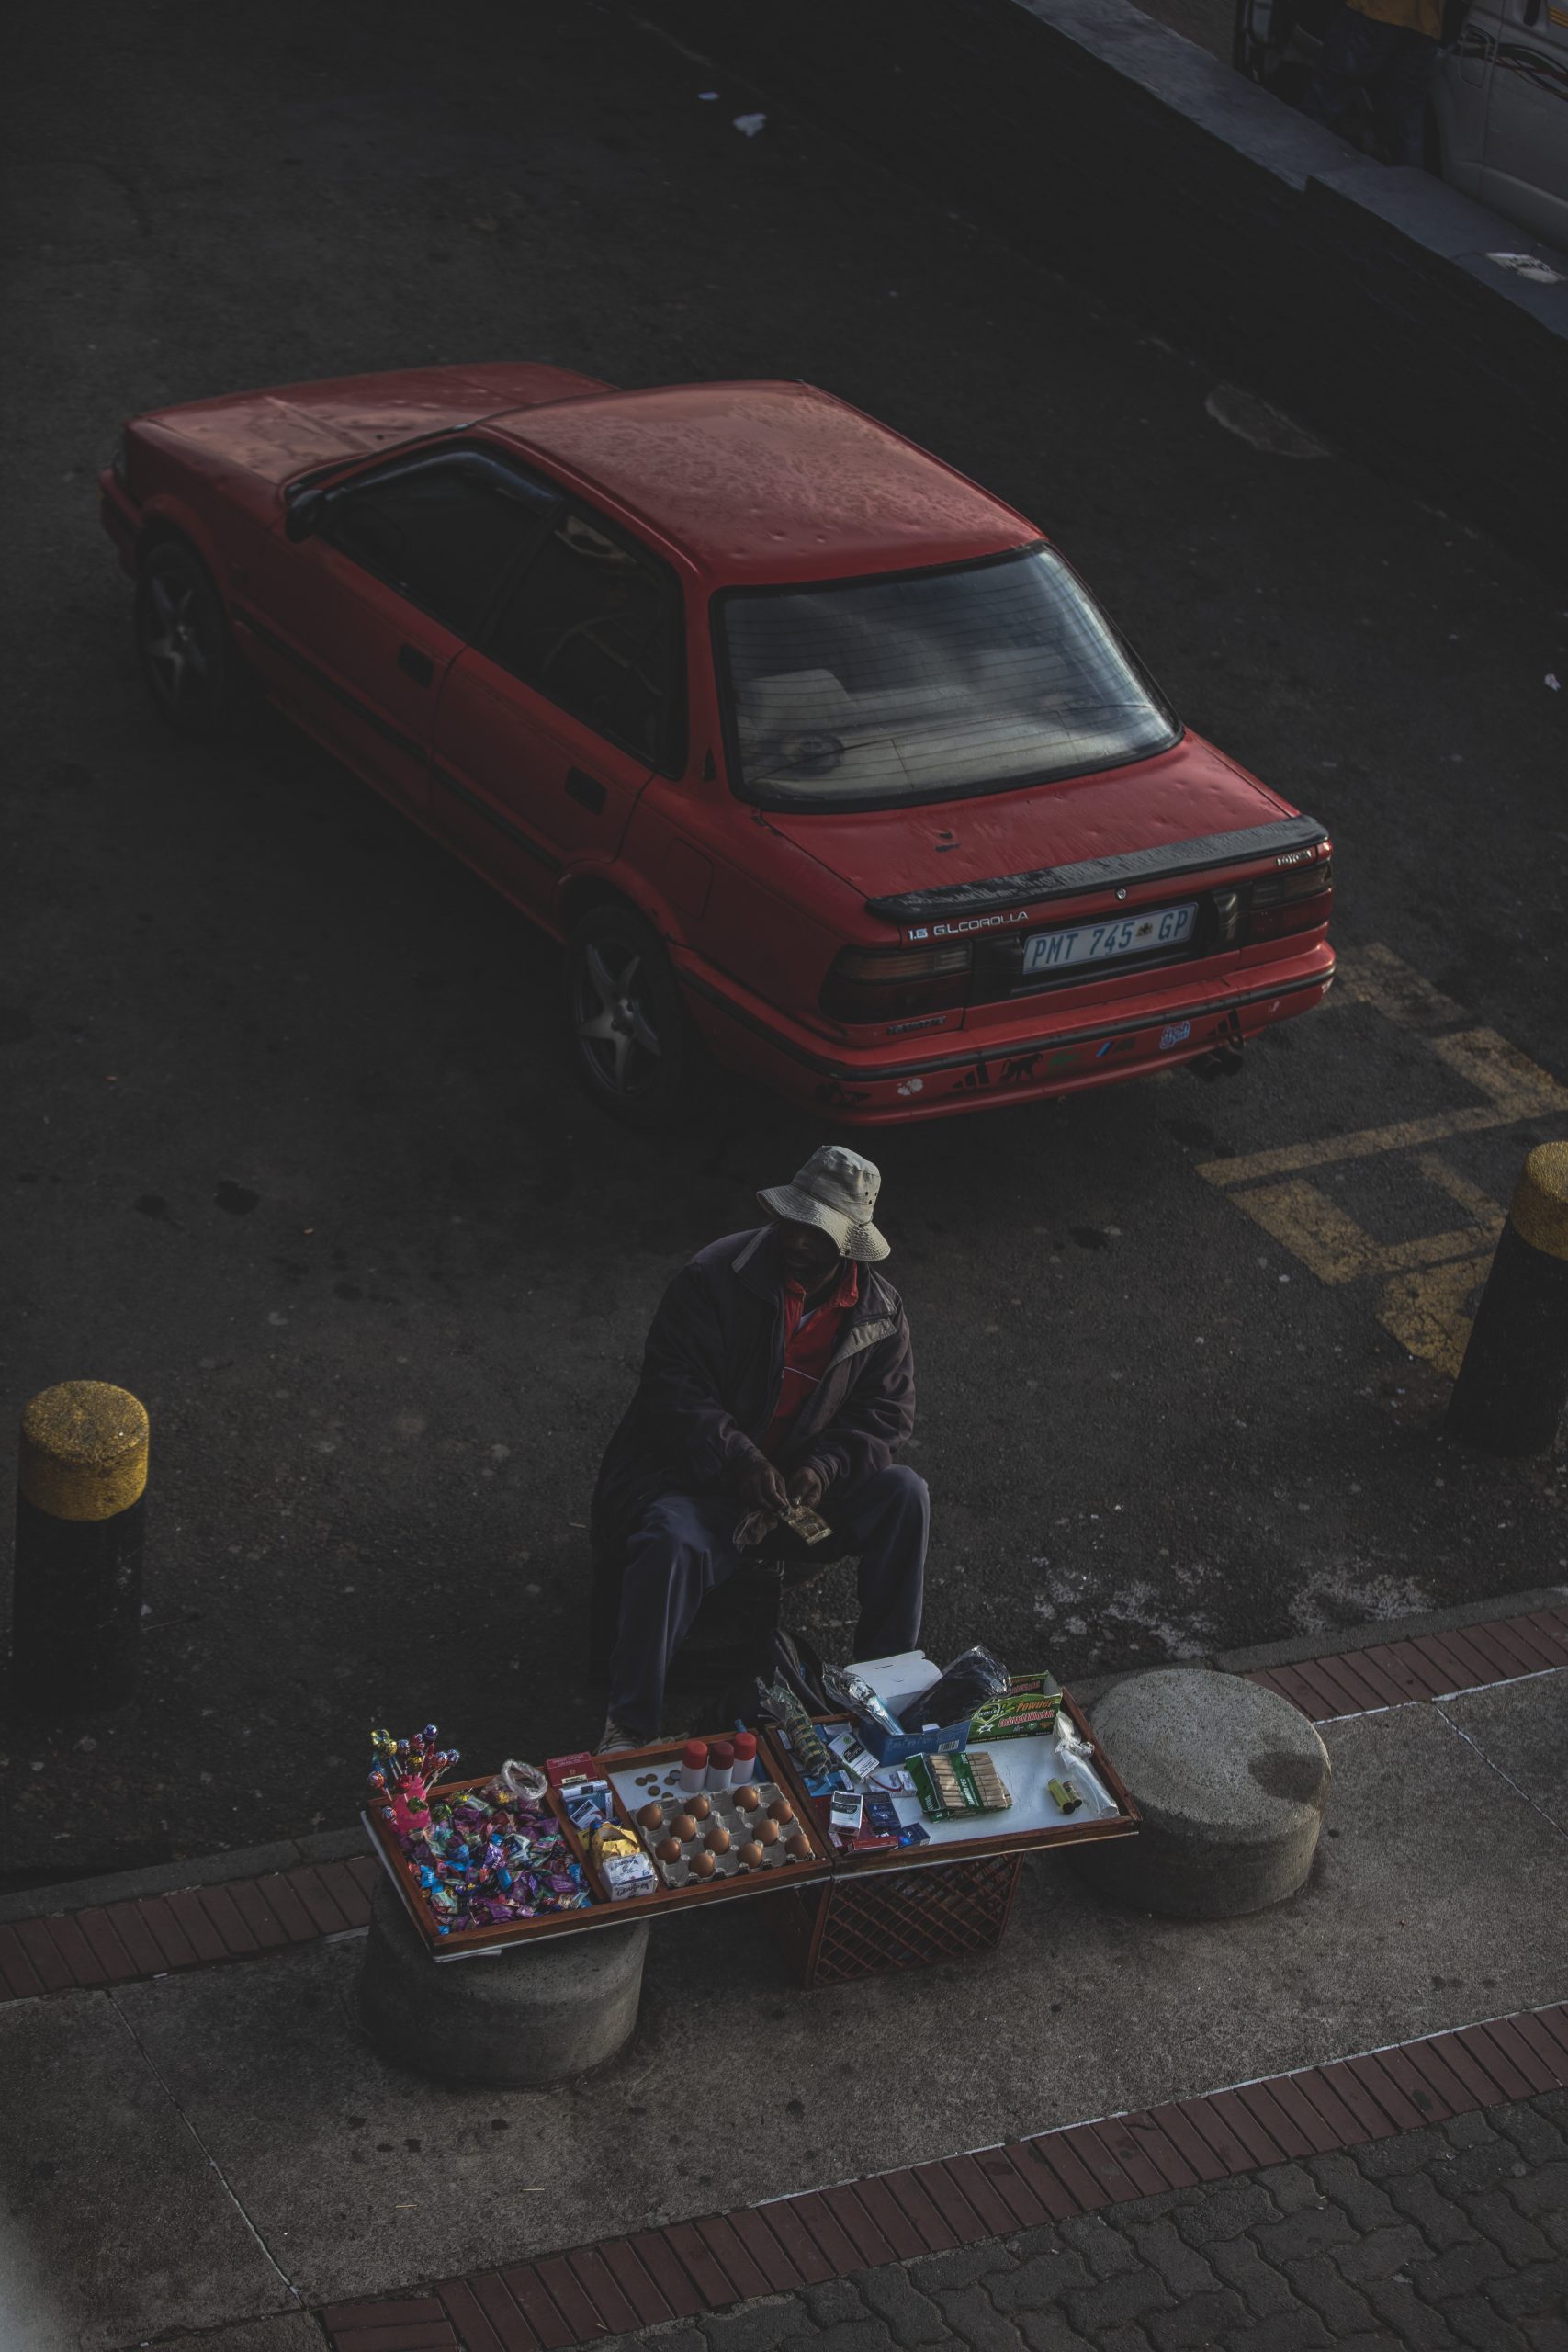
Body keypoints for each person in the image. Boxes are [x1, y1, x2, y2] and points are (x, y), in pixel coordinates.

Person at [592, 1145, 928, 1750]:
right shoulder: (713, 1278)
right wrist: (740, 1461)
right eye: (794, 1224)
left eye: (816, 1235)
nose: (797, 1243)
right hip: (701, 1480)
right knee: (670, 1539)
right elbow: (672, 1386)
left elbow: (885, 1416)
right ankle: (630, 1723)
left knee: (905, 1495)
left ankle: (886, 1687)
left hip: (795, 1491)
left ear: (850, 1244)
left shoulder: (881, 1313)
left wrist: (822, 1470)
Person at [1299, 0, 1443, 167]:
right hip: (1426, 25)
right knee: (1406, 120)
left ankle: (1296, 164)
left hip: (1376, 10)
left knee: (1328, 93)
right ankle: (1409, 187)